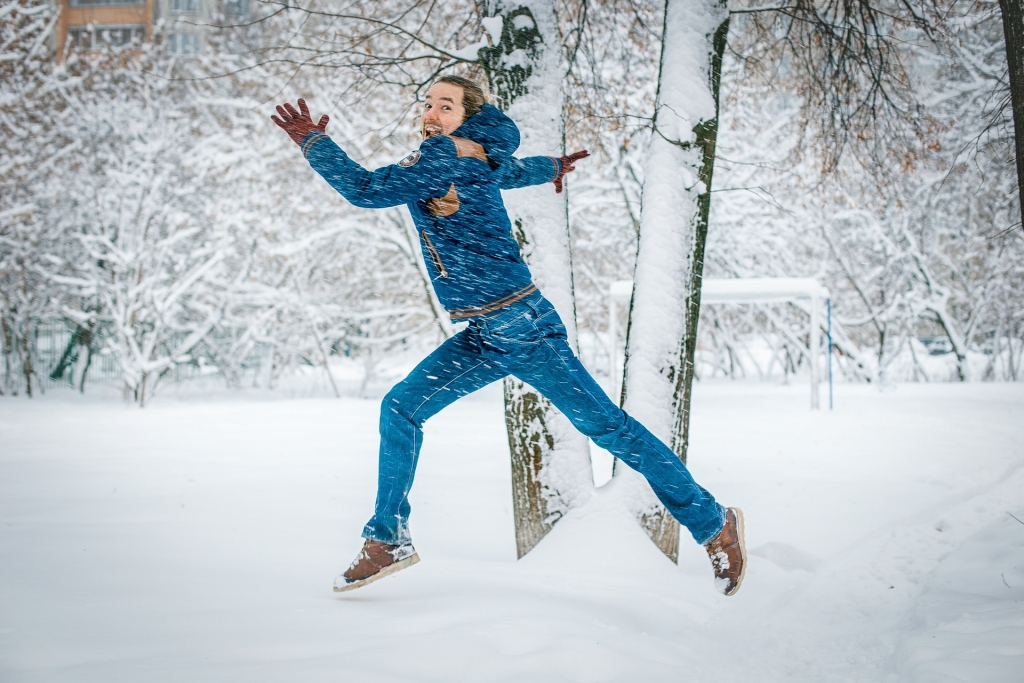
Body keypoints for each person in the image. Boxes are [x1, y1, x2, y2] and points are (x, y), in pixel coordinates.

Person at [271, 75, 746, 596]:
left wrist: (312, 142)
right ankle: (387, 538)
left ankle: (713, 522)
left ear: (467, 116)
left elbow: (364, 190)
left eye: (445, 106)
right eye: (427, 103)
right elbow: (511, 170)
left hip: (524, 330)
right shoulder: (476, 153)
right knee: (401, 407)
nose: (431, 113)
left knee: (611, 430)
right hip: (487, 330)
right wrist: (552, 168)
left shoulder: (441, 157)